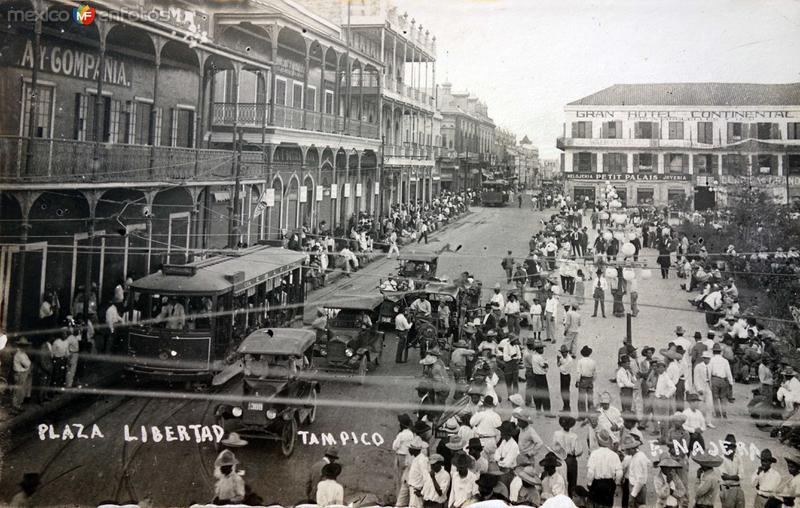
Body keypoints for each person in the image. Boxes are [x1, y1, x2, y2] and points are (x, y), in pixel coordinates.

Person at [586, 429, 622, 508]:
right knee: (608, 505)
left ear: (598, 442)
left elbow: (591, 472)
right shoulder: (614, 455)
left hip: (597, 483)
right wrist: (617, 483)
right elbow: (619, 473)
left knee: (596, 504)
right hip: (609, 483)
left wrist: (589, 483)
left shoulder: (594, 454)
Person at [553, 415, 581, 497]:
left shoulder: (556, 434)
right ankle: (571, 500)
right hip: (571, 459)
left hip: (560, 459)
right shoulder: (574, 436)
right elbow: (578, 451)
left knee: (561, 481)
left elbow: (554, 448)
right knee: (572, 482)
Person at [524, 340, 551, 414]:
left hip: (535, 376)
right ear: (537, 349)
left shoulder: (533, 356)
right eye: (541, 348)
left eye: (542, 348)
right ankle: (547, 411)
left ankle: (538, 409)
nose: (542, 350)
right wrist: (546, 364)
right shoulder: (539, 358)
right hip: (541, 377)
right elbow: (545, 367)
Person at [621, 434, 649, 508]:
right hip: (641, 488)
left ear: (631, 449)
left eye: (627, 449)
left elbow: (639, 480)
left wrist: (633, 495)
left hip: (637, 488)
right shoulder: (641, 454)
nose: (626, 451)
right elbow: (648, 463)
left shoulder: (636, 460)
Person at [719, 434, 745, 508]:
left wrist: (730, 476)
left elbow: (742, 475)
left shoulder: (738, 458)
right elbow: (724, 476)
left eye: (734, 446)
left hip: (738, 489)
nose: (732, 448)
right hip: (727, 489)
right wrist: (736, 477)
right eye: (730, 446)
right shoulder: (721, 459)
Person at [709, 343, 734, 419]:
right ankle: (724, 412)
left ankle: (718, 413)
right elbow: (728, 372)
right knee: (723, 397)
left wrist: (709, 382)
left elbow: (709, 372)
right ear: (720, 352)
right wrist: (731, 382)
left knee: (715, 397)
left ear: (713, 352)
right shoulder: (725, 361)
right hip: (723, 380)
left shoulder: (711, 360)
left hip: (714, 379)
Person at [407, 437, 430, 508]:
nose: (408, 450)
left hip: (417, 489)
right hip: (413, 489)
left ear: (415, 450)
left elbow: (426, 477)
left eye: (410, 448)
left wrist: (423, 492)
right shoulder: (416, 459)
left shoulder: (422, 460)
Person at [12, 338, 32, 413]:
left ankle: (17, 405)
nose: (25, 347)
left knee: (20, 390)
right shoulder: (20, 355)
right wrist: (29, 365)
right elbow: (27, 364)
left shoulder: (22, 354)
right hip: (20, 373)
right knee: (18, 391)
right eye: (23, 346)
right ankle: (16, 406)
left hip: (21, 373)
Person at [576, 345, 597, 418]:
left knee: (581, 398)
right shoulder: (593, 361)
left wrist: (577, 381)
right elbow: (595, 373)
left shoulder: (580, 361)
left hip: (583, 379)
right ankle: (591, 414)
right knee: (590, 397)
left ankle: (582, 415)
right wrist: (592, 380)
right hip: (590, 379)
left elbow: (579, 372)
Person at [558, 345, 574, 412]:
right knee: (562, 392)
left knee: (565, 392)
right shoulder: (562, 357)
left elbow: (563, 369)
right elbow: (559, 365)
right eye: (562, 352)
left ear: (567, 352)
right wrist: (558, 362)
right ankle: (565, 406)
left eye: (564, 352)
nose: (563, 353)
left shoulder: (569, 359)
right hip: (562, 375)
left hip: (566, 376)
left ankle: (567, 407)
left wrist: (560, 365)